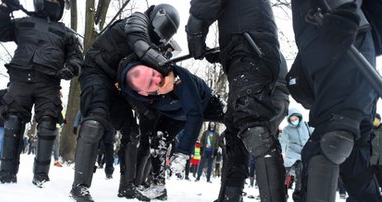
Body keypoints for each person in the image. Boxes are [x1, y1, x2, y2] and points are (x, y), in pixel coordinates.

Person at [69, 4, 179, 202]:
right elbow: (140, 46)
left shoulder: (152, 43)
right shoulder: (136, 21)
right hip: (96, 71)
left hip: (116, 84)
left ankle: (127, 187)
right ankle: (80, 187)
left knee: (132, 131)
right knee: (95, 122)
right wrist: (168, 69)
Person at [186, 0, 288, 201]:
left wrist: (195, 35)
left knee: (253, 127)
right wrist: (222, 53)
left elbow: (204, 6)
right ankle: (230, 197)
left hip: (250, 49)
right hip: (249, 49)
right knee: (234, 134)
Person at [0, 0, 83, 188]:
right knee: (13, 120)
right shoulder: (23, 22)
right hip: (20, 78)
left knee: (48, 123)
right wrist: (5, 9)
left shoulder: (66, 33)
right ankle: (6, 172)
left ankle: (41, 176)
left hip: (49, 82)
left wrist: (70, 68)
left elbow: (77, 57)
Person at [290, 0, 382, 201]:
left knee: (347, 147)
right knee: (337, 139)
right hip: (337, 23)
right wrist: (341, 7)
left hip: (354, 33)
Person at [117, 61, 227, 200]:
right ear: (143, 93)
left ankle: (232, 191)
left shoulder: (178, 78)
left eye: (153, 74)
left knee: (236, 120)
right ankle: (158, 187)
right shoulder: (136, 95)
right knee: (157, 140)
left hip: (204, 104)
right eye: (151, 83)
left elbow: (195, 114)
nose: (158, 79)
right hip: (174, 114)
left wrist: (183, 152)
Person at [279, 108, 312, 198]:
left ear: (299, 117)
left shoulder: (307, 126)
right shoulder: (287, 129)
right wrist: (283, 153)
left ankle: (298, 194)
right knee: (284, 173)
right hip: (291, 154)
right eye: (292, 120)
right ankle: (282, 193)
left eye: (295, 119)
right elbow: (283, 142)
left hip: (304, 154)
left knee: (300, 174)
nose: (294, 121)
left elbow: (315, 136)